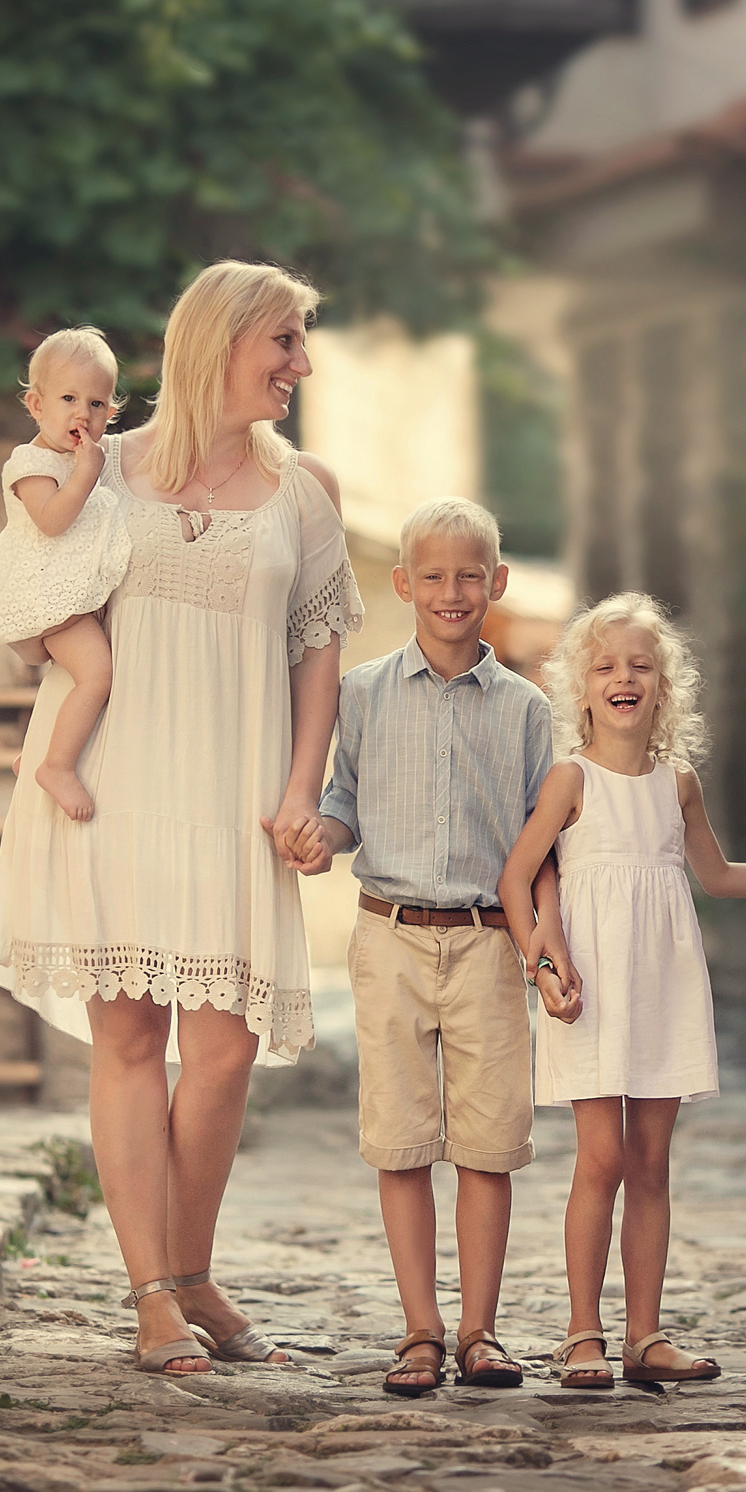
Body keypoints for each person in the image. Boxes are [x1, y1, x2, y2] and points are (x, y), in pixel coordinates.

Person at [0, 261, 363, 1375]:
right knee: (131, 1039)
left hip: (236, 799)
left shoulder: (307, 491)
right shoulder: (96, 473)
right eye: (284, 340)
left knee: (226, 1049)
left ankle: (190, 1270)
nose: (300, 363)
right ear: (222, 341)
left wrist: (305, 791)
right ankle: (154, 1290)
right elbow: (24, 604)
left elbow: (320, 656)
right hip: (109, 789)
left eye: (300, 342)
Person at [500, 593, 746, 1389]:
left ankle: (645, 1333)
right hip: (592, 986)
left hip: (664, 983)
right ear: (581, 688)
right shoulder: (571, 780)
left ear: (665, 687)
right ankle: (580, 1332)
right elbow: (517, 876)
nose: (623, 677)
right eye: (604, 666)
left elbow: (718, 874)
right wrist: (543, 961)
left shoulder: (678, 785)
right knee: (600, 1157)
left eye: (640, 665)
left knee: (653, 1160)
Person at [301, 496, 573, 1397]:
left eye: (469, 575)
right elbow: (344, 798)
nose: (452, 592)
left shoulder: (529, 710)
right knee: (401, 1141)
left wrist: (545, 948)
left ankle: (480, 1330)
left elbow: (544, 847)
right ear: (403, 583)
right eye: (433, 576)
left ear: (495, 582)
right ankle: (419, 1329)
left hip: (492, 949)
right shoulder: (364, 694)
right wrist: (322, 835)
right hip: (390, 940)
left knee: (489, 1144)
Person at [0, 327, 131, 822]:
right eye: (69, 398)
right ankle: (56, 767)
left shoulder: (84, 459)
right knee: (97, 676)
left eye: (97, 404)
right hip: (47, 598)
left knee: (72, 679)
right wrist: (85, 472)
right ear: (36, 406)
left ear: (111, 413)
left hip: (70, 596)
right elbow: (54, 521)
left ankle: (36, 751)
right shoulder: (30, 463)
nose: (83, 413)